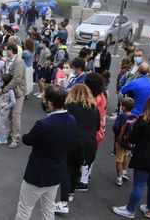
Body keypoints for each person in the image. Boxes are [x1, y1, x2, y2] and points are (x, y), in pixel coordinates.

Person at [15, 85, 75, 220]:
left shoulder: (43, 125)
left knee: (24, 209)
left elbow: (27, 139)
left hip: (37, 175)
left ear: (50, 102)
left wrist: (28, 134)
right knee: (48, 209)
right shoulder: (71, 120)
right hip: (56, 173)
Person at [55, 84, 100, 214]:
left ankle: (63, 203)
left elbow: (62, 124)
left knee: (66, 169)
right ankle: (70, 193)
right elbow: (97, 127)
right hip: (89, 144)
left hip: (73, 142)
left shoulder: (70, 107)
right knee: (76, 168)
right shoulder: (94, 108)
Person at [0, 43, 26, 149]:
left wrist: (4, 89)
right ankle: (10, 132)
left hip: (17, 92)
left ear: (11, 50)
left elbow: (17, 79)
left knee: (15, 115)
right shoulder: (8, 61)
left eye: (6, 50)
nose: (4, 52)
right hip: (11, 91)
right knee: (9, 114)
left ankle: (16, 138)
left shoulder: (19, 62)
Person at [112, 97, 136, 186]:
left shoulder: (121, 116)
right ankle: (124, 172)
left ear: (123, 107)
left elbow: (115, 128)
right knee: (126, 155)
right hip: (129, 142)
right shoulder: (133, 116)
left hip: (120, 141)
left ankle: (119, 178)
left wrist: (118, 135)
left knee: (119, 159)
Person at [0, 74, 16, 145]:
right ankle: (0, 136)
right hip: (0, 107)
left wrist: (6, 107)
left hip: (4, 109)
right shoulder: (3, 87)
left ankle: (3, 139)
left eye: (2, 80)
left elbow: (13, 102)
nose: (1, 82)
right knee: (0, 123)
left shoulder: (10, 90)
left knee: (1, 123)